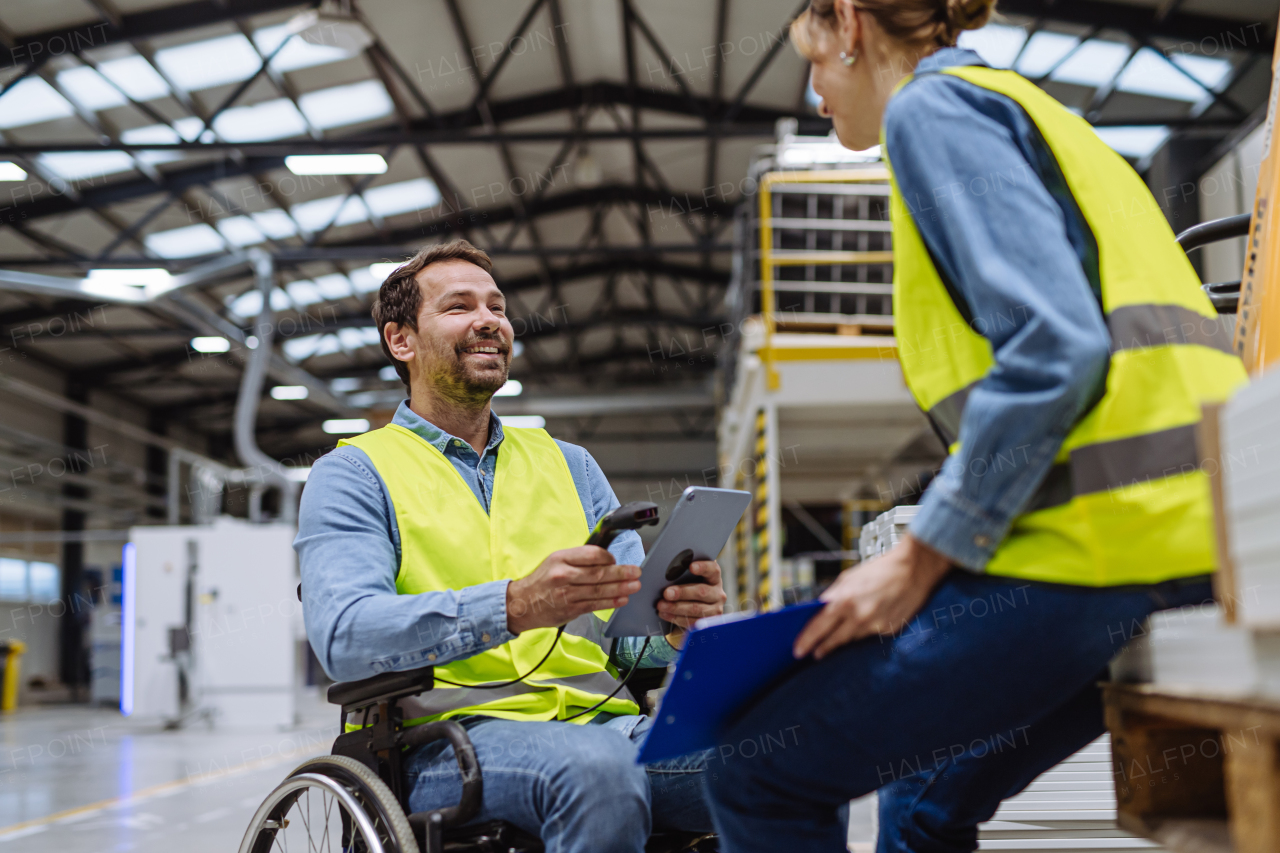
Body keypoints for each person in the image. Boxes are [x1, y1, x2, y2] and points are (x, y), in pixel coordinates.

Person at [703, 1, 1247, 852]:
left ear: (850, 23)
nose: (814, 95)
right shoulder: (1038, 111)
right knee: (920, 807)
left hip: (1099, 554)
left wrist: (920, 559)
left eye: (813, 62)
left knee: (754, 768)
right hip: (1199, 543)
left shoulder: (932, 111)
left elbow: (1054, 345)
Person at [295, 239, 726, 853]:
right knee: (599, 774)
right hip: (446, 745)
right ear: (401, 341)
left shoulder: (571, 465)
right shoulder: (356, 473)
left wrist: (674, 625)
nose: (489, 319)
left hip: (608, 728)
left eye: (497, 306)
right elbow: (346, 637)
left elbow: (629, 647)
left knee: (785, 759)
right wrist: (515, 605)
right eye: (458, 306)